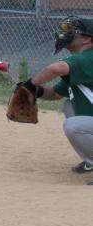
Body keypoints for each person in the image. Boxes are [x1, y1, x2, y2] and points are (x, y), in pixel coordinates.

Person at [22, 16, 93, 183]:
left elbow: (56, 68)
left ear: (87, 39)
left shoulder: (88, 57)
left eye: (71, 31)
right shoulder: (81, 63)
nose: (65, 33)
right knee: (69, 105)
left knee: (72, 126)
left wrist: (30, 83)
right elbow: (54, 93)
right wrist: (36, 90)